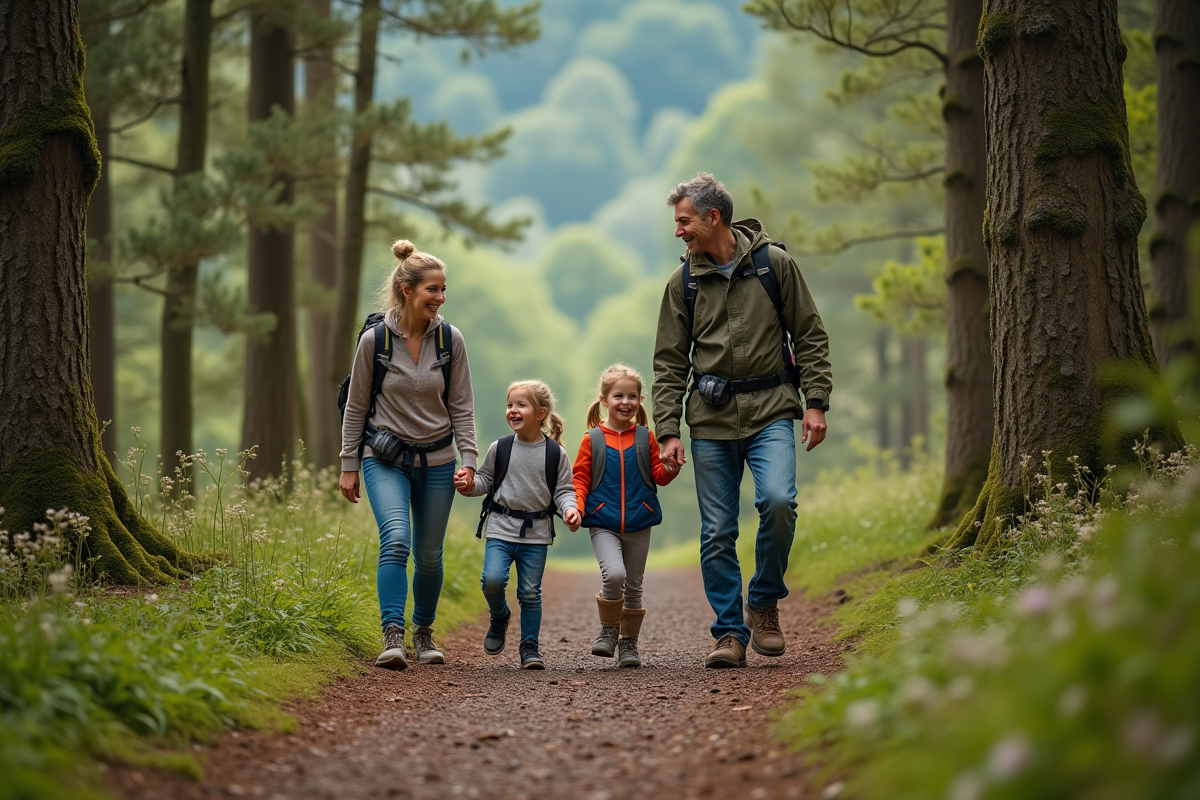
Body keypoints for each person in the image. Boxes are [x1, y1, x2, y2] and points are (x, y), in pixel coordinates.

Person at [652, 173, 832, 669]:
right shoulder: (682, 282)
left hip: (772, 408)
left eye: (684, 221)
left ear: (714, 218)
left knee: (778, 502)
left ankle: (765, 603)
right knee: (717, 531)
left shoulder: (775, 266)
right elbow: (669, 363)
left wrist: (815, 401)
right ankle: (729, 632)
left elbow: (810, 336)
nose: (678, 232)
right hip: (710, 420)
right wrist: (667, 429)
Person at [339, 239, 478, 671]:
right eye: (432, 290)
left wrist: (469, 460)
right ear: (407, 291)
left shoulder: (450, 340)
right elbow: (356, 406)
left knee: (431, 555)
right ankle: (393, 636)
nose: (439, 298)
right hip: (384, 459)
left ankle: (424, 633)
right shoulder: (375, 341)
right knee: (396, 539)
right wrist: (348, 465)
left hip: (438, 462)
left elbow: (462, 406)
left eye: (442, 289)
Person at [456, 380, 582, 669]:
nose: (512, 410)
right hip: (500, 528)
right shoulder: (499, 447)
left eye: (520, 405)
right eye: (510, 404)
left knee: (529, 593)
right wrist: (469, 485)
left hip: (536, 534)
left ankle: (529, 647)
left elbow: (564, 490)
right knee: (492, 581)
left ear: (541, 413)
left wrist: (571, 509)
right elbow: (486, 481)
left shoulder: (555, 454)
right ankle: (499, 615)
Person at [572, 364, 680, 668]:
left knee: (634, 584)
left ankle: (629, 645)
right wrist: (577, 508)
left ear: (640, 400)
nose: (626, 402)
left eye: (632, 396)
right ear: (604, 400)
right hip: (603, 522)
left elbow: (657, 475)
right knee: (614, 574)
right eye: (618, 395)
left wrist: (672, 467)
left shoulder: (646, 437)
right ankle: (608, 629)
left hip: (639, 520)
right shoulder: (591, 440)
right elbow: (580, 478)